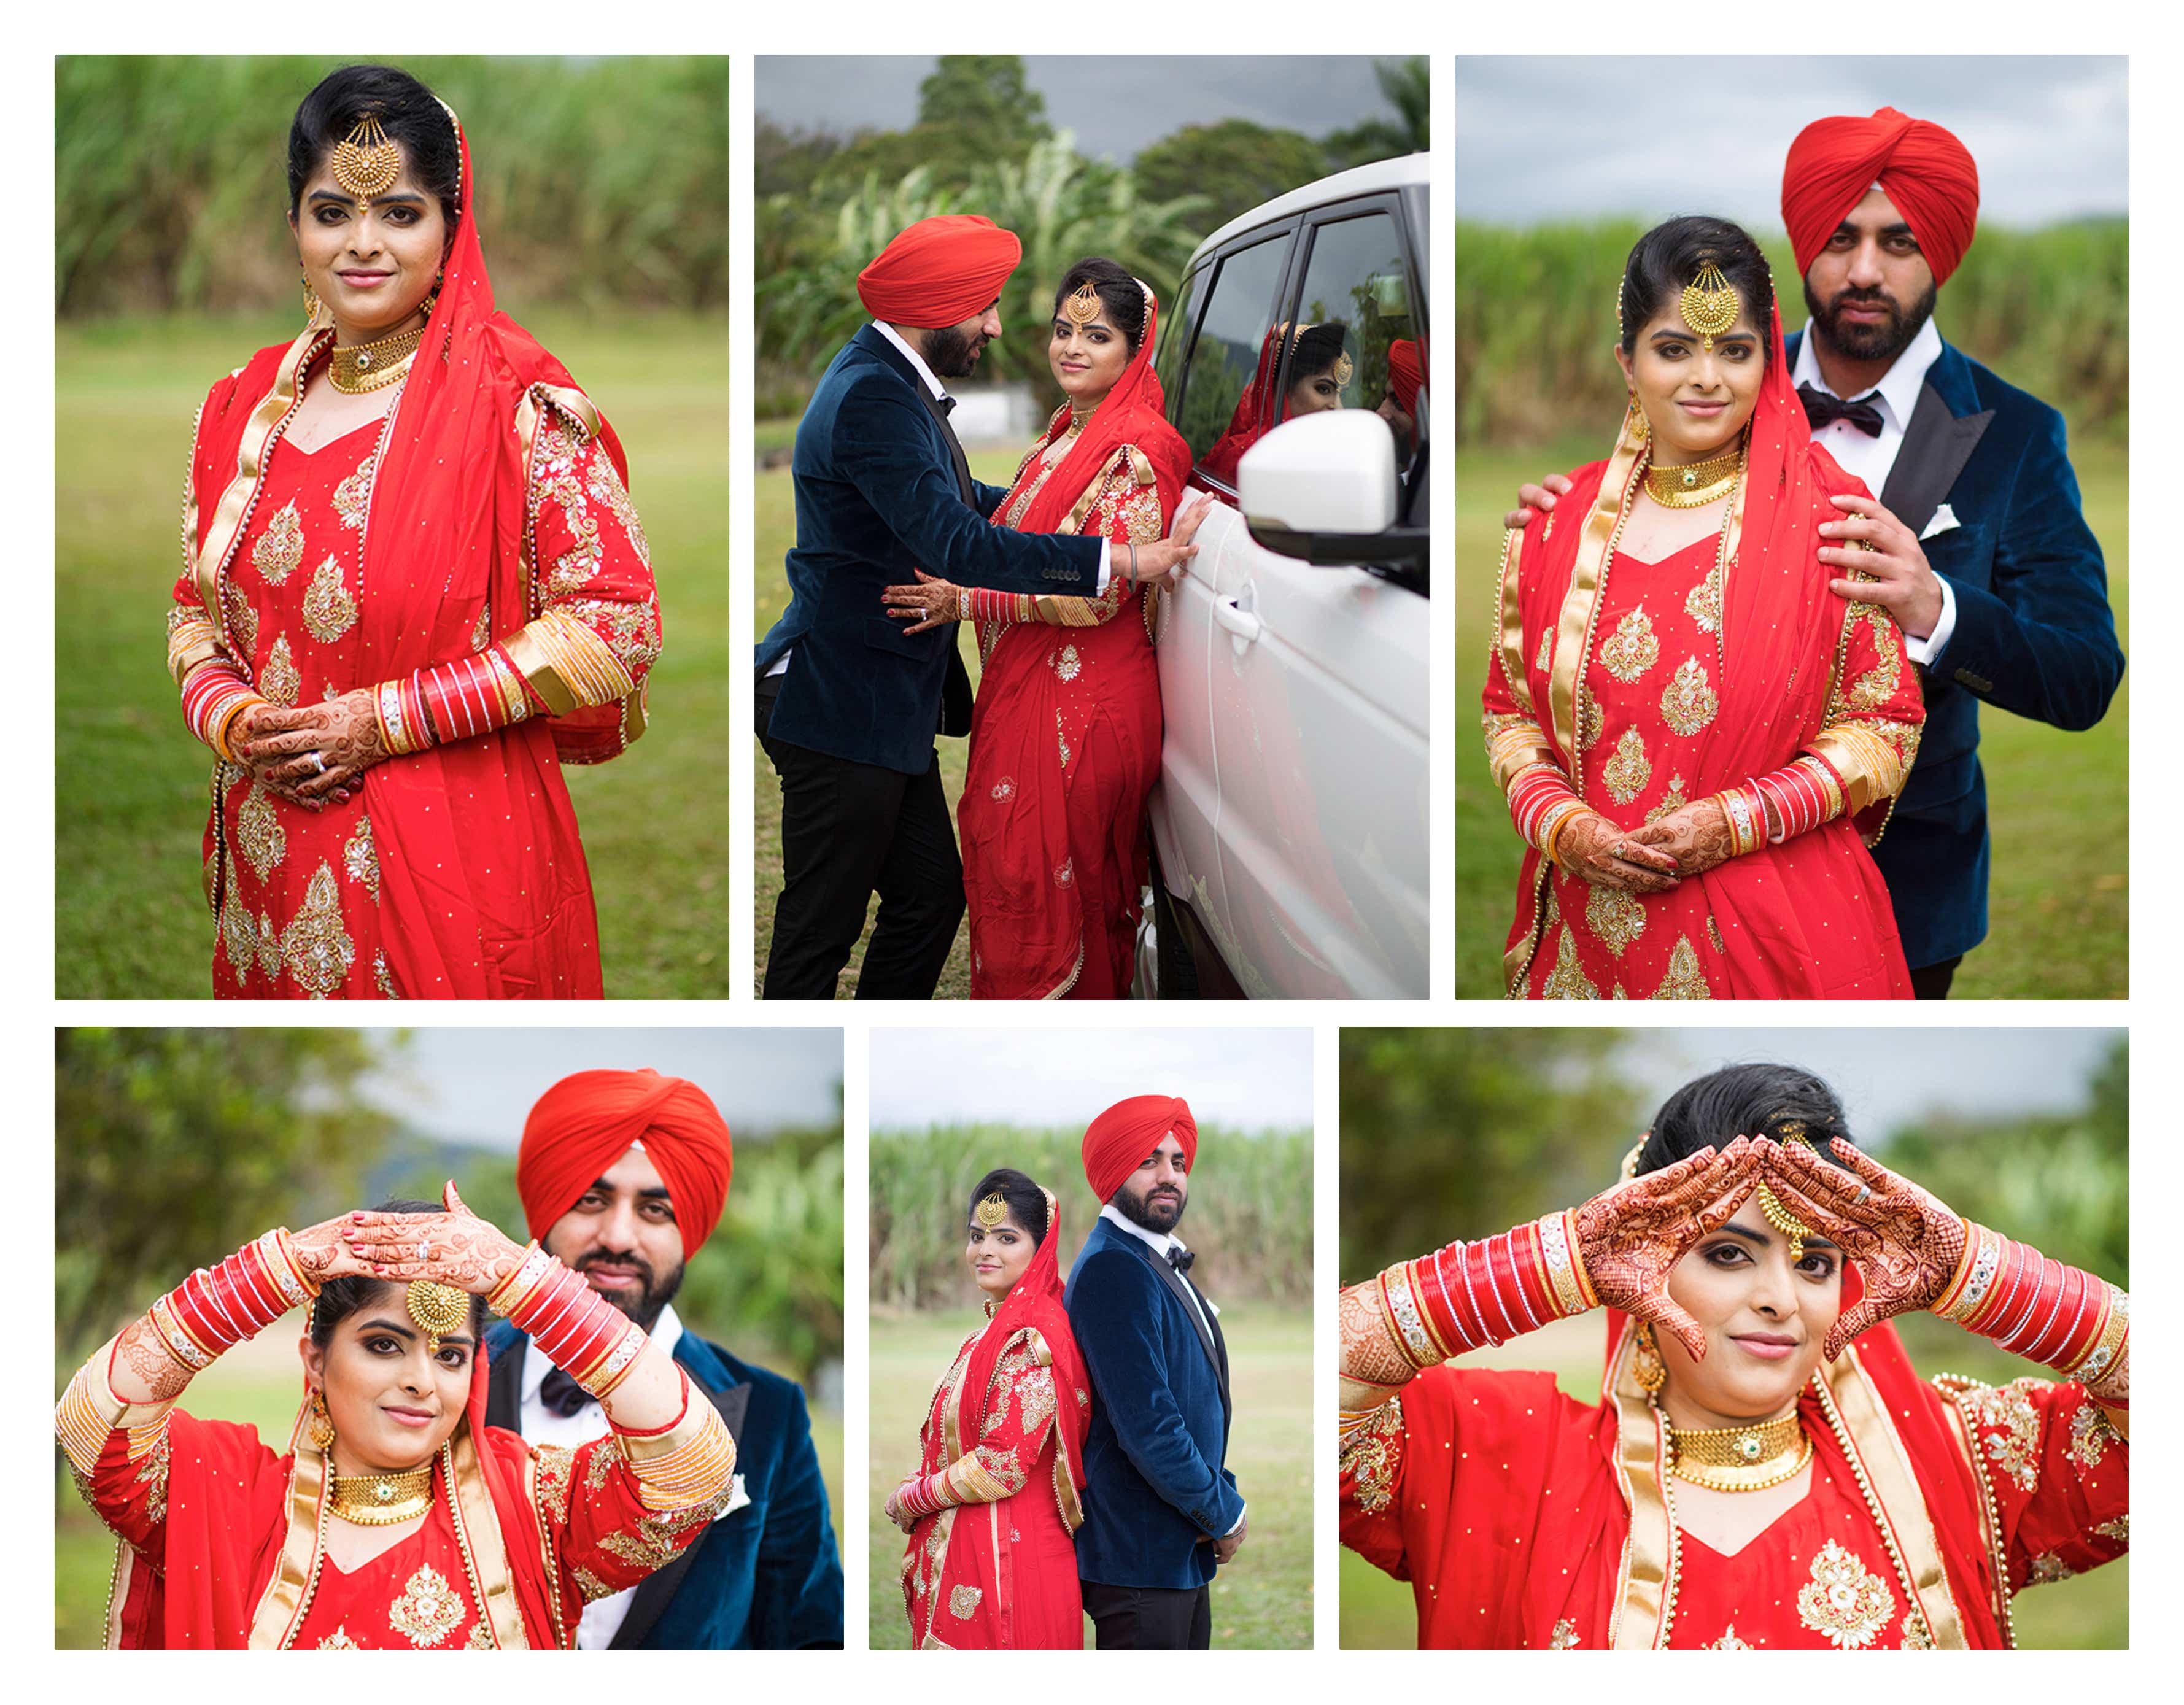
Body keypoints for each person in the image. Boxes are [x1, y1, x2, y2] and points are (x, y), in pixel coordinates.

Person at [1512, 109, 2125, 999]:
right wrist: (1565, 524)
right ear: (1805, 246)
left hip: (1907, 875)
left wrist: (1934, 607)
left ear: (1940, 254)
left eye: (1898, 242)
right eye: (1841, 239)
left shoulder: (2019, 435)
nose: (1865, 270)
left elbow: (2082, 676)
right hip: (1666, 873)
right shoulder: (1720, 379)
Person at [1339, 1063, 2129, 1648]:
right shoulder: (1499, 1455)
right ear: (1639, 1264)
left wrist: (1974, 1275)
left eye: (1816, 1261)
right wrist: (1558, 1261)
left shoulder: (1963, 1463)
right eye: (1726, 1254)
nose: (1782, 1299)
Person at [168, 65, 659, 1000]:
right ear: (294, 226)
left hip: (452, 851)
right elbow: (194, 610)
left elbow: (615, 625)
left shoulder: (516, 404)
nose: (363, 244)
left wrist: (381, 722)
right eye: (331, 213)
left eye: (400, 214)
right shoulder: (240, 408)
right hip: (273, 853)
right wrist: (234, 718)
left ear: (451, 225)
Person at [754, 215, 1209, 1000]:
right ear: (935, 311)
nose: (996, 327)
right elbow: (957, 541)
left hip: (881, 704)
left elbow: (961, 500)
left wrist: (1061, 506)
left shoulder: (884, 377)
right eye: (983, 308)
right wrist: (1124, 559)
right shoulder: (874, 397)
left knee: (930, 899)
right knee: (820, 928)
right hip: (839, 702)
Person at [1483, 215, 1926, 1000]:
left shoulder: (1830, 519)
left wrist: (1737, 821)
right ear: (1628, 362)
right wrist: (1565, 827)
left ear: (1768, 359)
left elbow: (1884, 724)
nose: (1707, 379)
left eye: (1735, 350)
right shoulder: (1555, 527)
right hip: (1590, 942)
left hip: (1776, 933)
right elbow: (1510, 715)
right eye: (1674, 349)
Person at [56, 1186, 736, 1647]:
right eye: (384, 1345)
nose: (421, 1381)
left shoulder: (534, 1509)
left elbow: (694, 1471)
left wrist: (523, 1280)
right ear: (315, 1361)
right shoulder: (233, 1495)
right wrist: (281, 1269)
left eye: (450, 1355)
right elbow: (93, 1423)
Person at [880, 261, 1191, 999]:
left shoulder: (1136, 453)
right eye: (1062, 331)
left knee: (1070, 892)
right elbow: (1018, 527)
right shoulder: (1062, 437)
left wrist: (968, 602)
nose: (1072, 348)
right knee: (1018, 871)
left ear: (1135, 350)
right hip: (1037, 693)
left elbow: (1101, 596)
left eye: (1098, 336)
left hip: (1087, 709)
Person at [483, 1069, 843, 1648]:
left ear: (689, 1229)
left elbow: (809, 1638)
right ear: (546, 1210)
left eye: (654, 1210)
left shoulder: (770, 1412)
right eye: (591, 1200)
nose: (618, 1237)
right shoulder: (448, 1379)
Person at [884, 1169, 1092, 1648]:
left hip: (1011, 1564)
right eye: (977, 1236)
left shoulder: (1033, 1340)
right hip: (980, 1551)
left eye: (1007, 1238)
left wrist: (912, 1499)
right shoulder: (992, 1333)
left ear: (1041, 1249)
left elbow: (1000, 1466)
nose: (985, 1250)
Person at [1064, 1096, 1244, 1649]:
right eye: (1149, 1161)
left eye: (1178, 1162)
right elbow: (1149, 1425)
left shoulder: (1146, 1258)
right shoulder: (1113, 1268)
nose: (1169, 1176)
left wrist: (1218, 1497)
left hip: (1172, 1545)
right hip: (1138, 1557)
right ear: (1114, 1171)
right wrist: (1222, 1513)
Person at [1197, 320, 1352, 491]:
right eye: (1324, 389)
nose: (1338, 407)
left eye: (1343, 395)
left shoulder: (1335, 465)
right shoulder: (1249, 460)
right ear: (1282, 387)